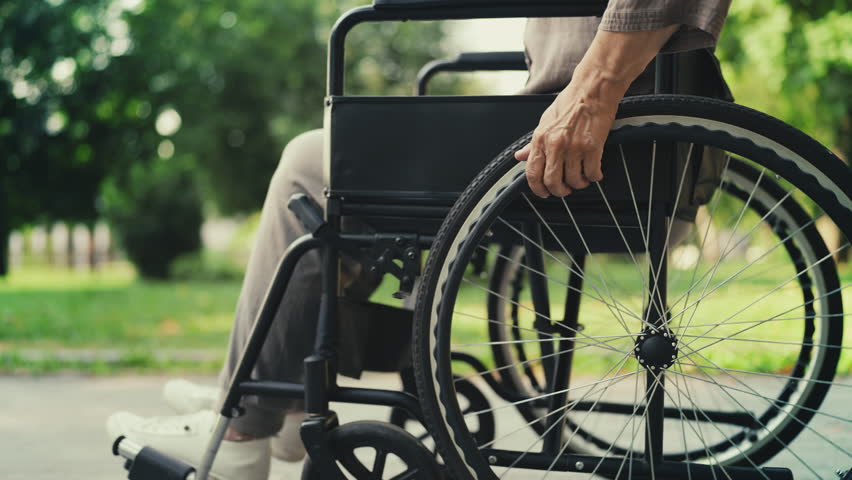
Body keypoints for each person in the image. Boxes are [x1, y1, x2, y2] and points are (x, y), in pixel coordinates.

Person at [106, 1, 732, 479]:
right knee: (342, 168)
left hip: (599, 134)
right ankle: (280, 397)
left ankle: (243, 433)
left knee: (310, 162)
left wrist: (592, 93)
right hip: (632, 131)